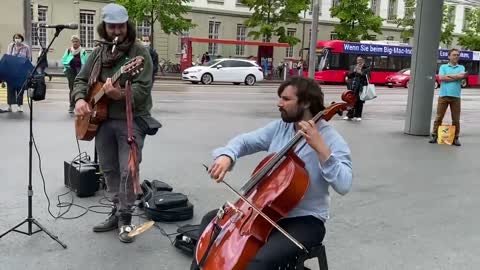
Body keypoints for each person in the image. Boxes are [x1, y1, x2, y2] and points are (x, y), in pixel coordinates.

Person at [191, 77, 353, 269]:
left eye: (286, 99)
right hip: (264, 212)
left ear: (307, 102)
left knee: (260, 263)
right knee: (211, 223)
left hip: (305, 220)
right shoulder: (281, 128)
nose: (279, 103)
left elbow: (344, 184)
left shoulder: (331, 139)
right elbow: (245, 141)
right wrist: (227, 155)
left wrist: (322, 151)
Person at [71, 3, 156, 243]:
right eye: (112, 26)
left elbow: (143, 88)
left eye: (120, 26)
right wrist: (79, 99)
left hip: (131, 120)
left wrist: (120, 94)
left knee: (128, 169)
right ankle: (116, 211)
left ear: (127, 25)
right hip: (102, 120)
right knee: (108, 169)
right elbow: (81, 79)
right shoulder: (99, 52)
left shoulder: (139, 52)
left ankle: (126, 219)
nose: (116, 31)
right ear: (104, 27)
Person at [429, 48, 466, 146]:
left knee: (456, 119)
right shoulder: (443, 67)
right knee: (439, 117)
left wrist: (449, 76)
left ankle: (456, 138)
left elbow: (460, 77)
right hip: (443, 96)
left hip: (456, 97)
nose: (456, 56)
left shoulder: (461, 67)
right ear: (449, 56)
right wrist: (456, 76)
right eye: (454, 55)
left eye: (457, 55)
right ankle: (434, 135)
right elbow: (441, 78)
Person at [61, 35, 88, 113]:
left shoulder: (83, 51)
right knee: (72, 88)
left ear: (79, 42)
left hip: (80, 71)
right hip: (70, 71)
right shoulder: (69, 50)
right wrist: (69, 63)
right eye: (73, 42)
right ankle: (72, 106)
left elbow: (86, 62)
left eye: (76, 41)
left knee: (80, 88)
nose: (75, 43)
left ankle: (79, 104)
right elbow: (63, 60)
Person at [5, 33, 31, 112]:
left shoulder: (26, 47)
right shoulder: (11, 46)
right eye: (15, 38)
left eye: (18, 38)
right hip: (12, 71)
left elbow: (28, 58)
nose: (17, 39)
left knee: (20, 89)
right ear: (14, 39)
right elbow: (8, 57)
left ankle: (20, 106)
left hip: (21, 71)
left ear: (21, 39)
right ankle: (9, 106)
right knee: (10, 89)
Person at [344, 55, 370, 121]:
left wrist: (360, 72)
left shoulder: (367, 68)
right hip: (352, 86)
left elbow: (368, 77)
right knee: (351, 101)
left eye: (360, 60)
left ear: (363, 60)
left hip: (361, 87)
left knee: (359, 101)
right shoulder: (352, 67)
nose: (359, 62)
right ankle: (349, 115)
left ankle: (358, 115)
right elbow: (349, 75)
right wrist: (354, 71)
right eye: (358, 60)